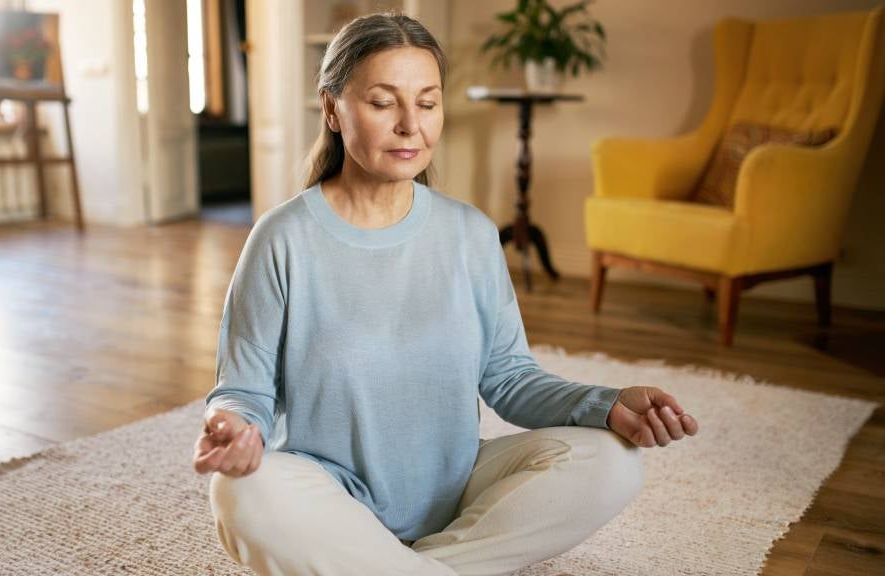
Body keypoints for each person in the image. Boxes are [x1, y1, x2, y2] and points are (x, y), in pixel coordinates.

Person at [192, 12, 699, 576]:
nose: (411, 125)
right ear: (332, 108)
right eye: (384, 103)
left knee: (613, 460)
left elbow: (509, 378)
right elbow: (243, 389)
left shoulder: (471, 234)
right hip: (328, 493)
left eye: (427, 103)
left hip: (455, 489)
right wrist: (234, 425)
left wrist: (606, 404)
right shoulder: (282, 237)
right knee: (241, 492)